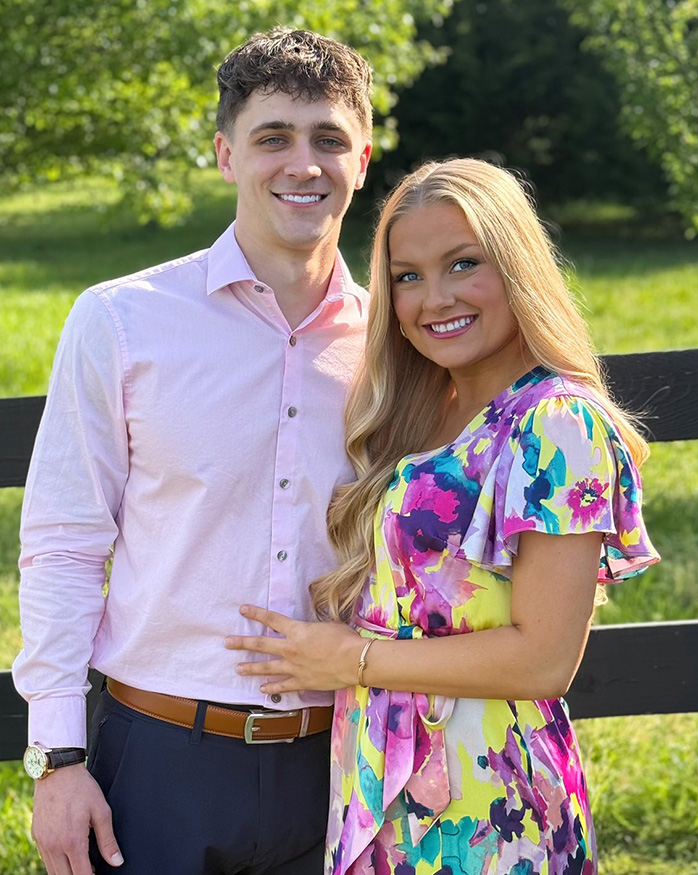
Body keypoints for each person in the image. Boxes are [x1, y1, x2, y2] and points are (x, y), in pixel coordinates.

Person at [225, 158, 660, 875]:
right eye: (407, 275)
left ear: (517, 266)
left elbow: (546, 658)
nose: (434, 298)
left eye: (464, 264)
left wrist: (352, 659)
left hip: (488, 802)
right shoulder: (427, 410)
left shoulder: (555, 423)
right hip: (387, 779)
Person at [13, 29, 373, 875]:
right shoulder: (121, 320)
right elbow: (64, 543)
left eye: (327, 138)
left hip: (345, 759)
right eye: (272, 137)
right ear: (224, 154)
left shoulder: (397, 345)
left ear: (363, 156)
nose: (303, 163)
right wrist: (57, 761)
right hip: (159, 759)